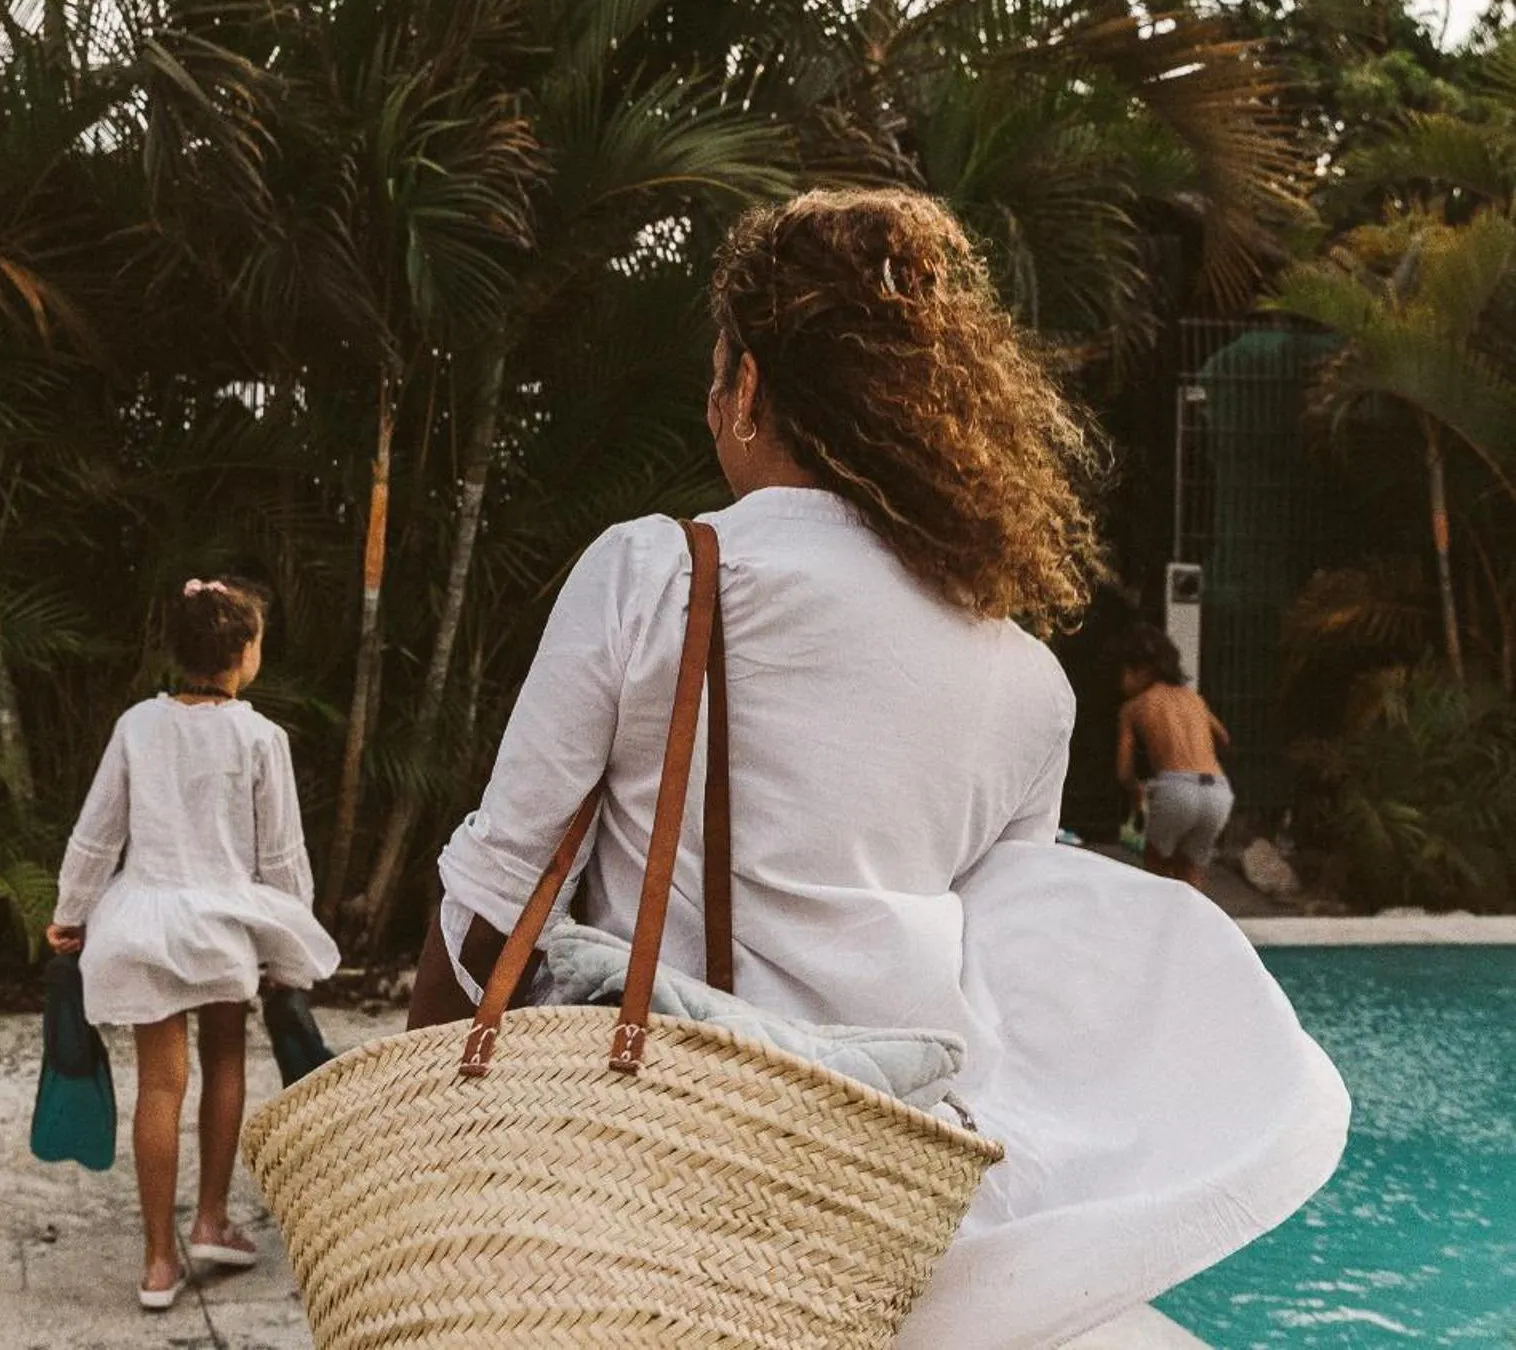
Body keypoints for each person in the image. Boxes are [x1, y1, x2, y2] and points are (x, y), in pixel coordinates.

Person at [408, 188, 1346, 1350]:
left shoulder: (660, 572)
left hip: (642, 1169)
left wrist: (416, 1138)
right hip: (875, 1209)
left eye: (718, 374)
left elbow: (495, 899)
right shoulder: (1025, 681)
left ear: (749, 387)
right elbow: (1004, 960)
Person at [45, 578, 338, 1312]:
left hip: (144, 919)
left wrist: (70, 911)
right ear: (243, 653)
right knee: (226, 1060)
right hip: (224, 925)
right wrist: (287, 939)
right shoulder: (260, 737)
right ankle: (211, 1218)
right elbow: (280, 856)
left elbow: (99, 829)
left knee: (159, 1085)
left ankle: (156, 1262)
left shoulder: (137, 727)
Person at [1116, 623, 1236, 893]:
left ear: (1143, 670)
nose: (1121, 679)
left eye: (1125, 670)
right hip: (1218, 791)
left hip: (1175, 789)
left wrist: (1137, 792)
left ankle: (1160, 930)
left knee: (1156, 864)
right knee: (1191, 869)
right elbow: (1224, 738)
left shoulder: (1133, 707)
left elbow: (1123, 771)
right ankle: (1195, 929)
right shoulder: (1193, 699)